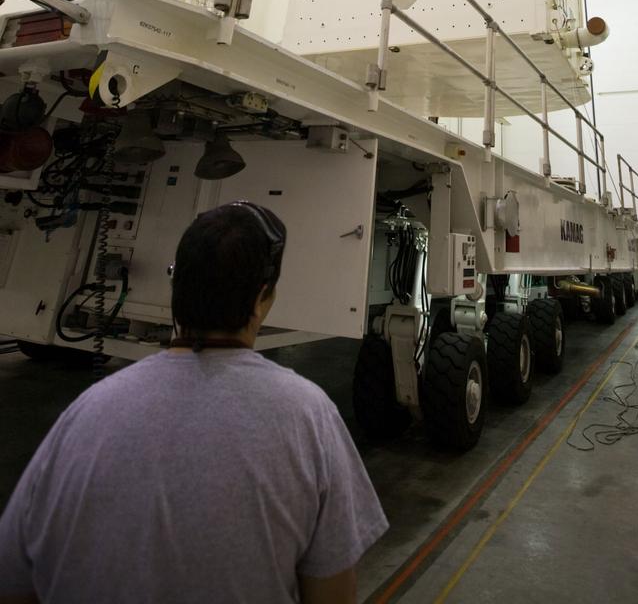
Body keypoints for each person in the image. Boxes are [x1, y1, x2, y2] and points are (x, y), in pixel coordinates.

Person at [0, 201, 388, 604]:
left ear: (176, 288)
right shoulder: (310, 417)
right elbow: (333, 594)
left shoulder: (85, 412)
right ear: (260, 299)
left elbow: (14, 583)